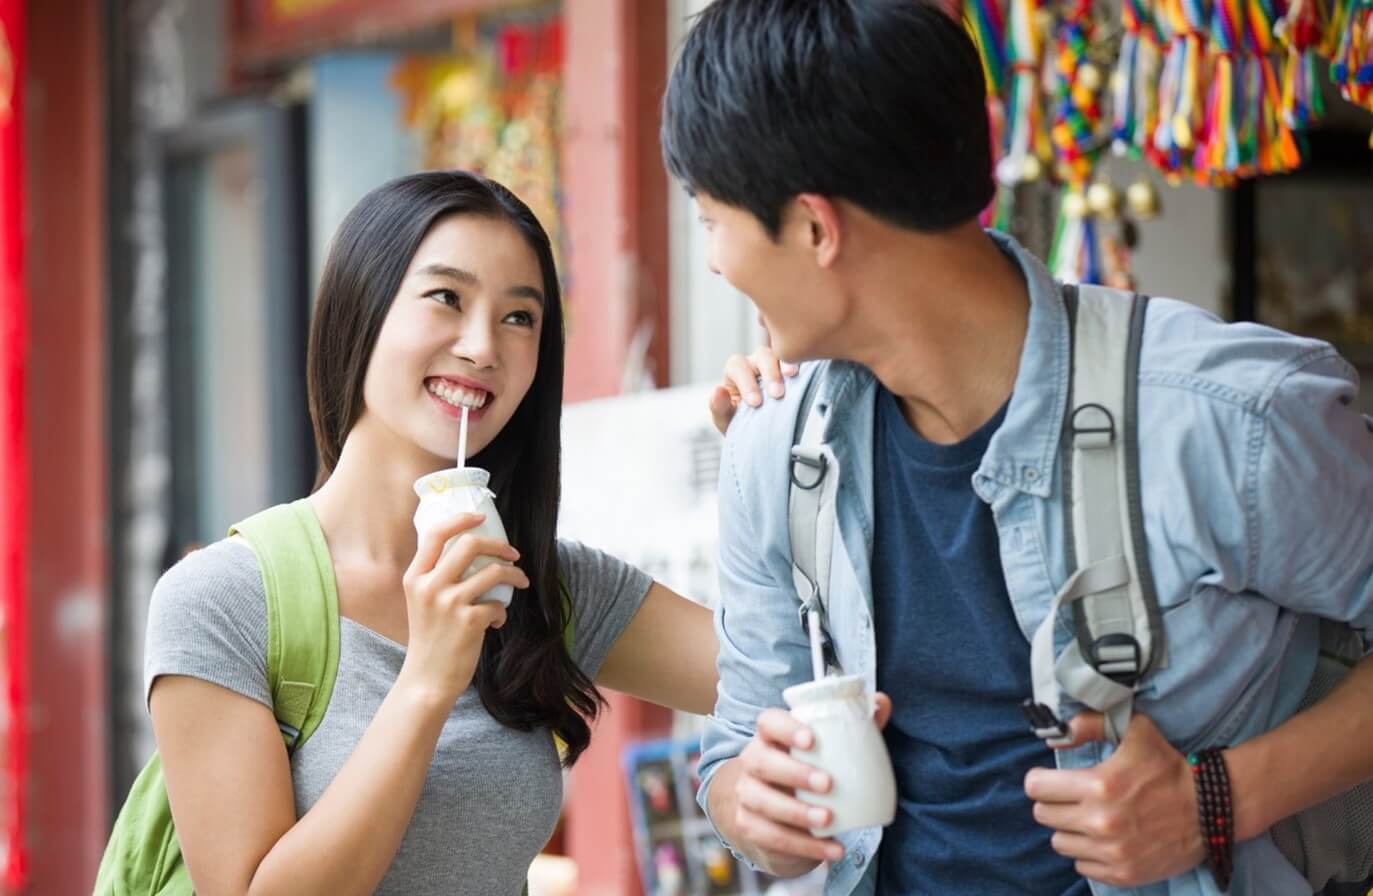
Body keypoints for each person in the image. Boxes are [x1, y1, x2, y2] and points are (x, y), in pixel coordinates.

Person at [664, 2, 1373, 895]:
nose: (717, 263)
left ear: (814, 227)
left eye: (710, 220)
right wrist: (749, 804)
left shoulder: (1224, 418)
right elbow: (733, 753)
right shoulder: (771, 447)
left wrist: (1217, 801)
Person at [145, 170, 746, 895]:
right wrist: (428, 678)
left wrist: (765, 462)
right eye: (446, 298)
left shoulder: (542, 585)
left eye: (518, 317)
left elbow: (777, 676)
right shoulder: (222, 601)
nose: (481, 346)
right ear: (361, 308)